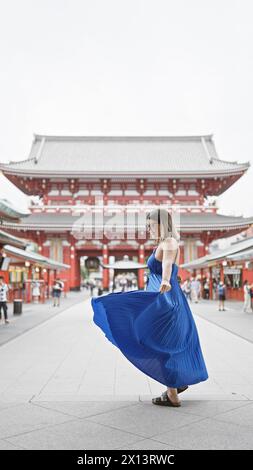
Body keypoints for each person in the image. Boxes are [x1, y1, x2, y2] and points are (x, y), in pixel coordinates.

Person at [91, 208, 209, 407]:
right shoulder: (164, 243)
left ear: (162, 224)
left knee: (158, 341)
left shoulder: (170, 242)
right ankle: (174, 386)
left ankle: (173, 390)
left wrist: (165, 280)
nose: (148, 230)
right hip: (160, 298)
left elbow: (168, 266)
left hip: (165, 299)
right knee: (159, 341)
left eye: (151, 225)